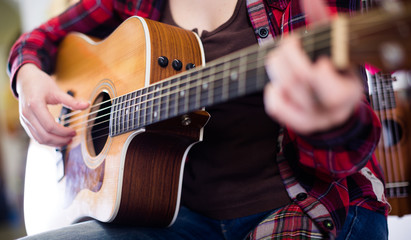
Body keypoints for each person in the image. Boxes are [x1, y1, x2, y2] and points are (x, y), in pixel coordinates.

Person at [8, 0, 389, 239]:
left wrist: (335, 123)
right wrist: (26, 76)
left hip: (303, 205)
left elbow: (344, 160)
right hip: (169, 218)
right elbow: (40, 41)